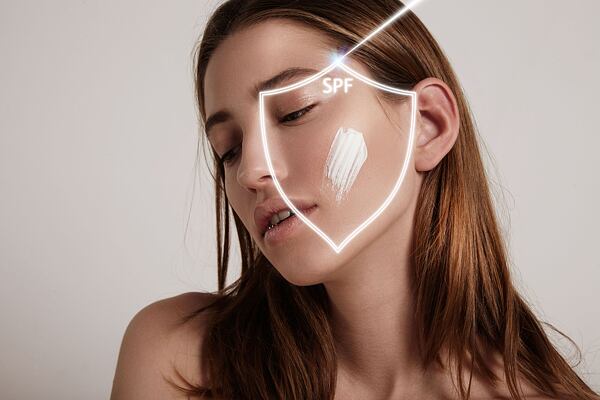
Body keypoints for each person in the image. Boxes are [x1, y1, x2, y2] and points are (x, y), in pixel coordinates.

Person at [110, 1, 600, 399]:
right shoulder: (181, 362)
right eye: (229, 149)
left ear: (428, 125)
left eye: (295, 111)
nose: (251, 170)